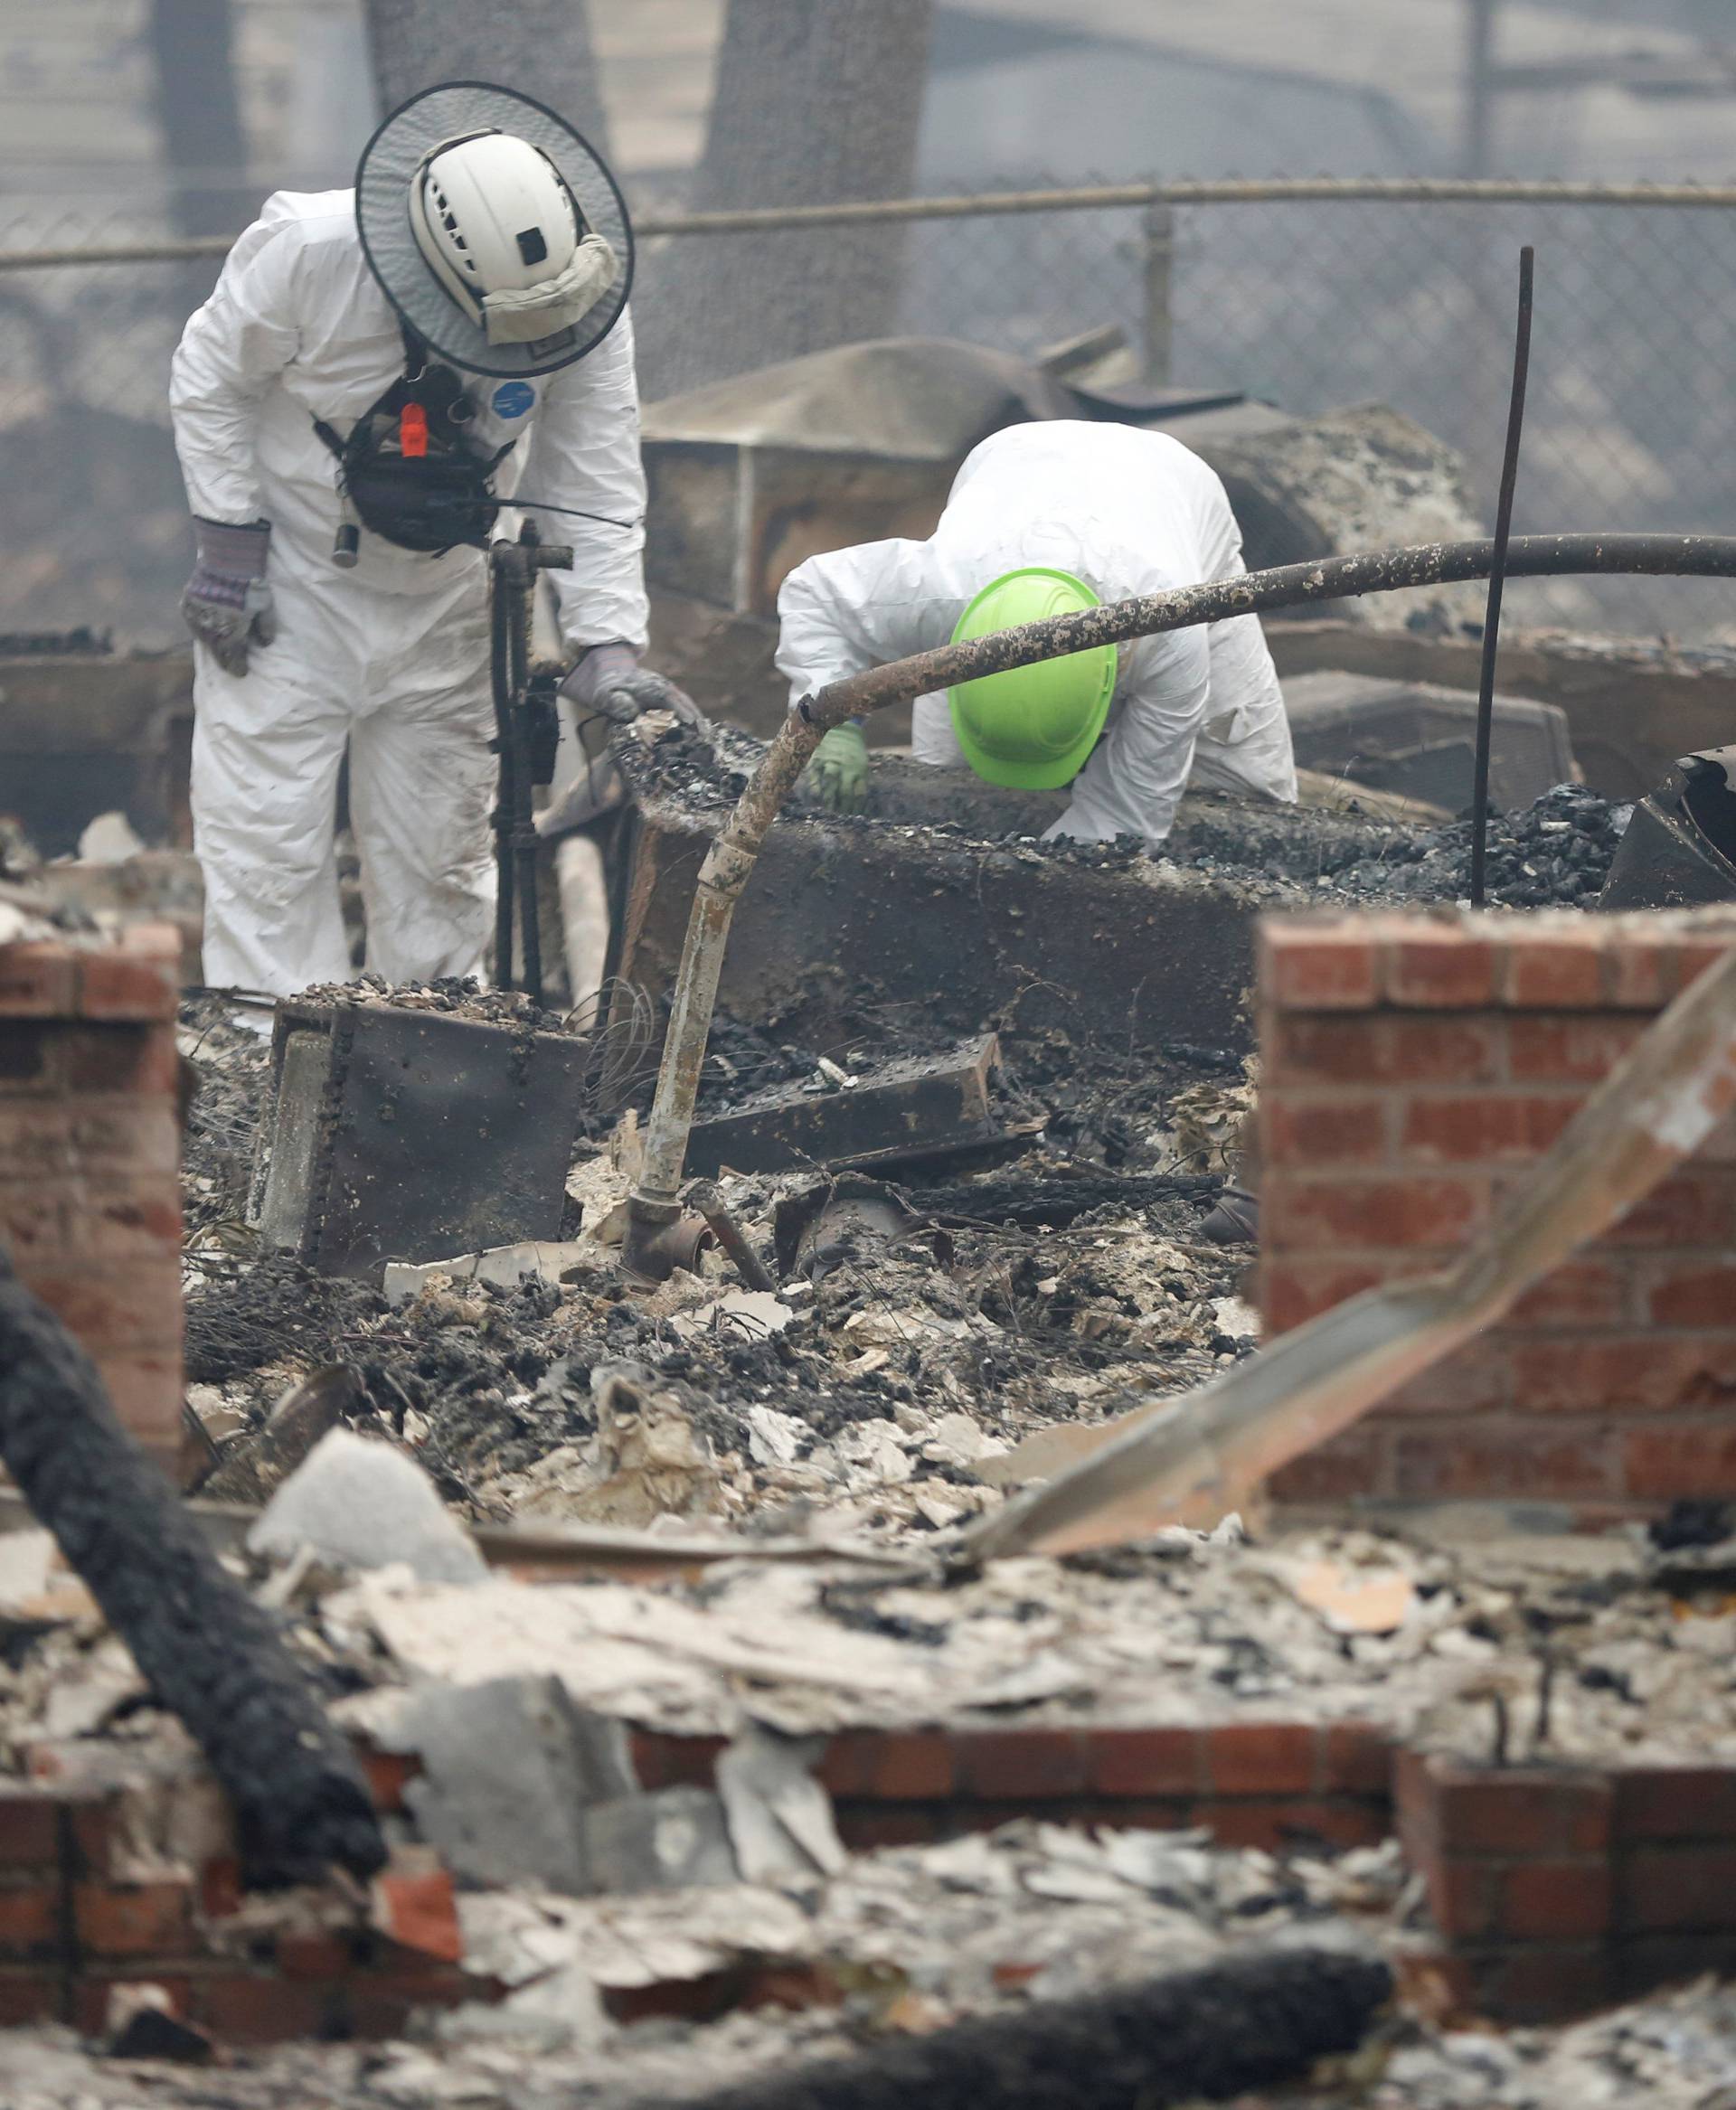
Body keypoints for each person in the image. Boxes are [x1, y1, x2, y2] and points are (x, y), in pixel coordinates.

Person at [170, 81, 684, 999]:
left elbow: (594, 477)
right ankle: (271, 1064)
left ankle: (429, 1067)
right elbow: (211, 380)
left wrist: (607, 643)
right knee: (267, 846)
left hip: (455, 596)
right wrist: (228, 545)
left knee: (441, 864)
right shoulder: (309, 256)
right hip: (294, 583)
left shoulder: (584, 301)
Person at [777, 419, 1296, 845]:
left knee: (1248, 792)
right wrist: (830, 718)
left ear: (1110, 684)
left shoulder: (1170, 631)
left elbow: (1128, 818)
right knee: (945, 794)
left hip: (1173, 485)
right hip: (1014, 460)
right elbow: (815, 593)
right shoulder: (940, 591)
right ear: (961, 651)